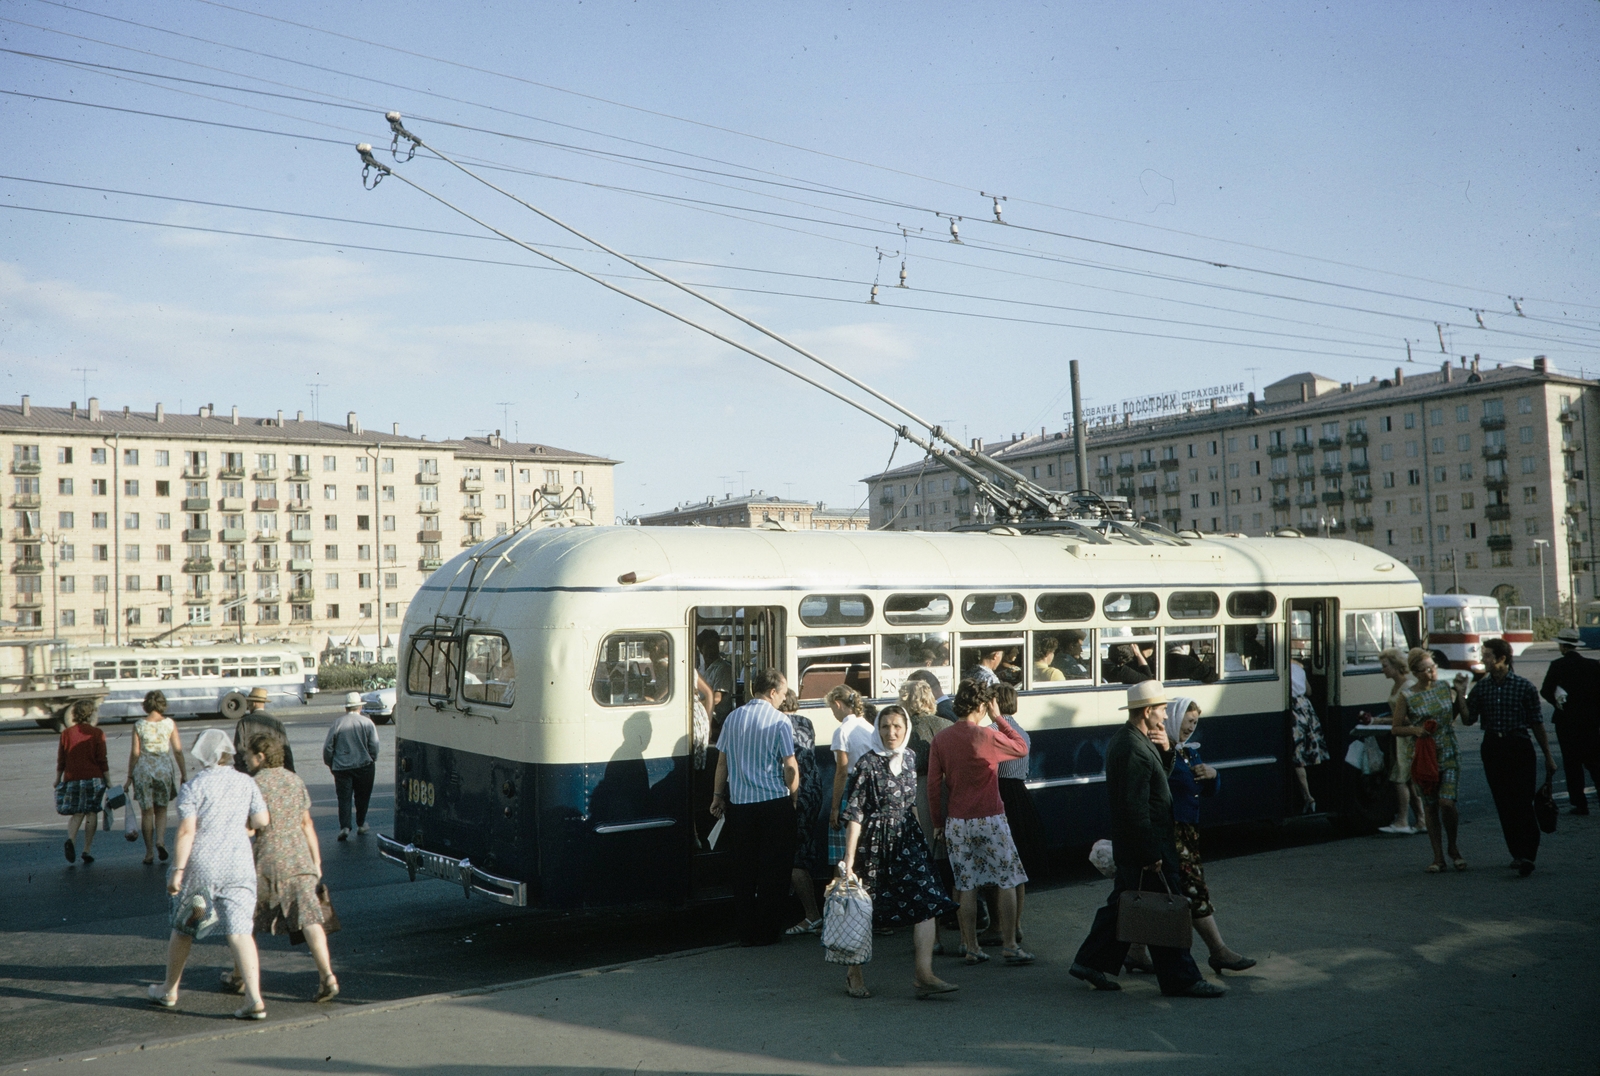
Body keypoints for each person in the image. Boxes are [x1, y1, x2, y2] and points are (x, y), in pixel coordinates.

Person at [1069, 680, 1221, 998]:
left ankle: (1090, 962)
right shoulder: (1132, 748)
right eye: (1163, 710)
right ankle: (1181, 977)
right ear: (1148, 711)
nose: (1166, 717)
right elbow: (1134, 808)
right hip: (1147, 845)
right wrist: (1150, 852)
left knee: (1123, 906)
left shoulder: (1136, 740)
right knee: (1166, 908)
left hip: (1139, 844)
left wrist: (1166, 751)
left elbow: (1156, 781)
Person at [839, 704, 961, 1000]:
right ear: (877, 729)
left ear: (906, 729)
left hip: (907, 840)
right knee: (864, 909)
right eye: (885, 727)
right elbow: (855, 813)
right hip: (874, 842)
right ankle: (853, 973)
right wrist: (849, 859)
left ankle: (924, 974)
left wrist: (922, 834)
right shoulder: (866, 764)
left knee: (928, 900)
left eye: (897, 727)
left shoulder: (909, 758)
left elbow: (911, 804)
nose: (891, 732)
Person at [149, 728, 271, 1019]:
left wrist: (177, 871)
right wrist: (243, 829)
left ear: (201, 755)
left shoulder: (194, 787)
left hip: (202, 866)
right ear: (228, 753)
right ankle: (254, 997)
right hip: (239, 864)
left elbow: (187, 830)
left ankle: (169, 990)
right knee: (240, 932)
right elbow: (261, 820)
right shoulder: (246, 782)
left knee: (184, 929)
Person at [927, 678, 1032, 966]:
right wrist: (999, 718)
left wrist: (938, 821)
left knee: (966, 883)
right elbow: (1021, 747)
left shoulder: (941, 739)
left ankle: (971, 945)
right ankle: (1010, 944)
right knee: (1006, 880)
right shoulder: (987, 735)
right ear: (983, 705)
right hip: (991, 818)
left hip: (958, 821)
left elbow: (934, 786)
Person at [242, 731, 337, 1002]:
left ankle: (240, 975)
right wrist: (316, 861)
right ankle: (327, 975)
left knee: (246, 921)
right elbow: (307, 823)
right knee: (310, 919)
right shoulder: (294, 780)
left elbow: (250, 827)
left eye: (248, 756)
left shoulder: (253, 784)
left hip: (266, 861)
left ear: (260, 757)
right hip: (300, 860)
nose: (245, 760)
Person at [1162, 697, 1254, 974]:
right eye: (1188, 722)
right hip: (1173, 829)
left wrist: (1213, 775)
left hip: (1188, 830)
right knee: (1192, 888)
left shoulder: (1187, 751)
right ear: (1175, 719)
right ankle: (1218, 950)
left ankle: (1135, 951)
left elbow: (1208, 791)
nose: (1191, 728)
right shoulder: (1164, 752)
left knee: (1156, 891)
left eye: (1195, 723)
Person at [709, 667, 799, 946]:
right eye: (783, 694)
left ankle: (747, 932)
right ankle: (769, 931)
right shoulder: (780, 722)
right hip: (774, 803)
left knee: (744, 870)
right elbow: (790, 765)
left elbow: (722, 762)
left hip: (742, 807)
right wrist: (793, 799)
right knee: (775, 870)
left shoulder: (733, 718)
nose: (784, 699)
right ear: (772, 692)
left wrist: (717, 795)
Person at [1466, 638, 1559, 877]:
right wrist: (1458, 692)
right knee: (1504, 803)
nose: (1482, 659)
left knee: (1522, 800)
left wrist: (1548, 756)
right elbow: (1468, 718)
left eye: (1486, 655)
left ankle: (1529, 853)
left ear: (1501, 658)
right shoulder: (1482, 687)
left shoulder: (1524, 687)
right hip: (1493, 747)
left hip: (1518, 746)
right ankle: (1517, 853)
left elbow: (1537, 724)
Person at [1395, 648, 1469, 872]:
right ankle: (1438, 857)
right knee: (1430, 806)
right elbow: (1396, 728)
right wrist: (1416, 730)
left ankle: (1453, 848)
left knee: (1447, 803)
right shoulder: (1407, 696)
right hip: (1424, 756)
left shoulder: (1444, 688)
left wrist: (1461, 693)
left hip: (1448, 750)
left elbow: (1453, 717)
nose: (1432, 672)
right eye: (1427, 670)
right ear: (1416, 673)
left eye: (1434, 668)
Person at [901, 678, 954, 953]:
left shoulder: (909, 729)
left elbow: (912, 765)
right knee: (948, 853)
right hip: (950, 789)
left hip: (923, 789)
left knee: (928, 855)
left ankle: (931, 923)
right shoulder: (946, 724)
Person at [992, 684, 1046, 945]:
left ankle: (998, 925)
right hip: (1020, 793)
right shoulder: (1022, 732)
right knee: (1018, 864)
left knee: (999, 864)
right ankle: (1017, 924)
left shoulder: (992, 731)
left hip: (1000, 794)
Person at [779, 689, 826, 935]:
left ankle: (811, 915)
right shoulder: (806, 722)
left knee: (794, 855)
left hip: (795, 792)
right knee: (804, 848)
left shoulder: (778, 724)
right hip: (814, 789)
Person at [1539, 628, 1600, 815]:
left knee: (1572, 764)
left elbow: (1545, 691)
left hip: (1566, 722)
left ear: (1563, 646)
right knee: (1595, 762)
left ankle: (1579, 804)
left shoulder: (1557, 665)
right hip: (1590, 721)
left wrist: (1558, 701)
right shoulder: (1593, 665)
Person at [127, 690, 187, 865]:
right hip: (163, 770)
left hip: (144, 770)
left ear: (146, 704)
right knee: (161, 810)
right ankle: (160, 840)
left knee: (147, 812)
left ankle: (149, 853)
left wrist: (129, 776)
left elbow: (135, 753)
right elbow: (178, 751)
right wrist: (184, 773)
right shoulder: (169, 723)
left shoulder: (139, 725)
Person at [825, 685, 875, 866]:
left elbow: (841, 772)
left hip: (850, 790)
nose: (833, 713)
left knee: (843, 854)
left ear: (838, 704)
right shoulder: (869, 727)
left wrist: (835, 808)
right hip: (870, 789)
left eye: (832, 708)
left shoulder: (842, 732)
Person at [55, 698, 108, 865]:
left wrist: (57, 778)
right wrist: (109, 781)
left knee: (78, 812)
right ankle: (87, 849)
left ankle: (71, 839)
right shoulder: (97, 733)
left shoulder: (66, 733)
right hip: (94, 778)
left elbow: (61, 759)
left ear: (75, 714)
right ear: (91, 714)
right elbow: (102, 760)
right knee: (91, 812)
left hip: (72, 778)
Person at [1376, 649, 1424, 835]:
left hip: (1407, 739)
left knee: (1399, 778)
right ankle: (1421, 820)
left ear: (1396, 666)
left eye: (1385, 666)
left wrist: (1383, 721)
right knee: (1409, 781)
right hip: (1399, 738)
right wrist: (1379, 721)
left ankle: (1402, 820)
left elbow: (1411, 717)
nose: (1383, 670)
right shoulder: (1397, 686)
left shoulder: (1407, 686)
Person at [323, 691, 380, 841]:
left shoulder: (338, 723)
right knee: (362, 796)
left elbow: (328, 747)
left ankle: (345, 827)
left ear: (346, 708)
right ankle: (361, 823)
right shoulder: (367, 723)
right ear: (360, 707)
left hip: (341, 767)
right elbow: (374, 745)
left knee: (344, 798)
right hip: (364, 765)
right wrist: (372, 757)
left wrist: (331, 763)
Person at [1289, 659, 1329, 813]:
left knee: (1297, 757)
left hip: (1293, 711)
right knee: (1308, 751)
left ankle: (1308, 796)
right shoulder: (1299, 669)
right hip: (1305, 708)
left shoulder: (1285, 670)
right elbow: (1309, 691)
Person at [235, 686, 295, 773]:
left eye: (249, 702)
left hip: (252, 771)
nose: (248, 705)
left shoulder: (244, 722)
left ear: (253, 703)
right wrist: (291, 771)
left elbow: (239, 750)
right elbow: (286, 749)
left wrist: (241, 772)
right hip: (274, 770)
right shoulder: (276, 721)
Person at [696, 628, 735, 725]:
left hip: (716, 719)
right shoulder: (700, 669)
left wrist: (696, 707)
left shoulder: (724, 668)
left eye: (714, 646)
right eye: (709, 647)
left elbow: (717, 698)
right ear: (701, 649)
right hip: (701, 712)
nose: (712, 650)